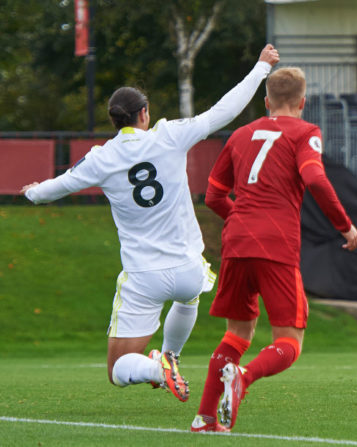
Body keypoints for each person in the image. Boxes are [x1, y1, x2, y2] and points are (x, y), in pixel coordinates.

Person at [21, 45, 280, 403]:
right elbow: (224, 111)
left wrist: (33, 193)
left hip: (144, 276)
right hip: (189, 267)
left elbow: (56, 188)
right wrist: (261, 68)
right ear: (144, 113)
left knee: (118, 370)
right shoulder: (169, 135)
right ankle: (171, 355)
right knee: (188, 298)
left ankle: (158, 368)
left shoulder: (102, 158)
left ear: (114, 119)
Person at [191, 66, 357, 432]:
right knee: (289, 341)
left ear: (266, 101)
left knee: (237, 334)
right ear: (302, 103)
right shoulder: (305, 132)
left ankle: (205, 418)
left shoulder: (239, 135)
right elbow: (315, 177)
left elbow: (213, 196)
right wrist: (344, 226)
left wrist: (242, 221)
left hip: (236, 243)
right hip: (276, 244)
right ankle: (244, 379)